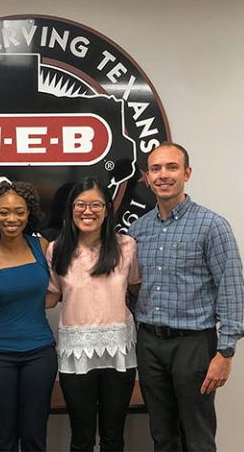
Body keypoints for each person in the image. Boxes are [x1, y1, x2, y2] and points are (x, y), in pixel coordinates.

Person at [128, 142, 244, 452]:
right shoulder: (138, 230)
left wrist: (226, 352)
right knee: (162, 434)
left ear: (187, 173)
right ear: (146, 177)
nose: (163, 175)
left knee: (197, 436)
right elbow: (131, 287)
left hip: (193, 343)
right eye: (155, 169)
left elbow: (232, 288)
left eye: (171, 167)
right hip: (150, 343)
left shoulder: (212, 226)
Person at [46, 177, 140, 452]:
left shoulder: (127, 246)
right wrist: (3, 294)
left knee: (113, 436)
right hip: (76, 353)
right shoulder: (57, 248)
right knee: (81, 437)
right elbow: (50, 297)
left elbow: (136, 288)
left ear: (108, 208)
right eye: (81, 205)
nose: (88, 211)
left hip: (118, 351)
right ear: (70, 208)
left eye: (96, 204)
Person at [0, 181, 57, 452]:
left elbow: (61, 291)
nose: (12, 219)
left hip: (40, 353)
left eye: (19, 211)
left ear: (29, 214)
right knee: (3, 435)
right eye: (4, 212)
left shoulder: (42, 246)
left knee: (34, 433)